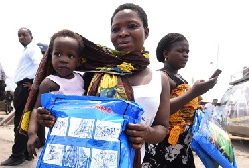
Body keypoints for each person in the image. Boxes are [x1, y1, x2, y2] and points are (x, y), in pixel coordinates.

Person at [29, 3, 170, 167]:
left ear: (146, 31)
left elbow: (162, 127)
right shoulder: (91, 76)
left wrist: (148, 133)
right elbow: (72, 113)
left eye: (132, 26)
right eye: (116, 29)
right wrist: (48, 117)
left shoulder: (160, 80)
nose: (123, 33)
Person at [142, 33, 218, 168]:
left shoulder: (180, 78)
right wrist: (194, 92)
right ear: (166, 53)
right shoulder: (161, 77)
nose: (185, 55)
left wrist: (196, 108)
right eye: (180, 51)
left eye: (187, 52)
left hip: (182, 147)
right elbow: (159, 110)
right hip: (164, 148)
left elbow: (183, 105)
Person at [27, 29, 85, 159]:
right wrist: (32, 134)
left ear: (79, 61)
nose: (63, 60)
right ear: (50, 56)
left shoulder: (81, 80)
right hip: (59, 137)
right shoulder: (49, 83)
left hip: (81, 135)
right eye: (58, 54)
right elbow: (36, 108)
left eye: (70, 56)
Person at [1, 27, 44, 166]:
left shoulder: (33, 49)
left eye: (24, 34)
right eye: (19, 35)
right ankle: (26, 154)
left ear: (31, 36)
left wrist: (35, 86)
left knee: (20, 122)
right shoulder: (27, 50)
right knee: (24, 121)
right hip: (23, 87)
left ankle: (17, 155)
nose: (21, 37)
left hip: (26, 88)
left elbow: (40, 65)